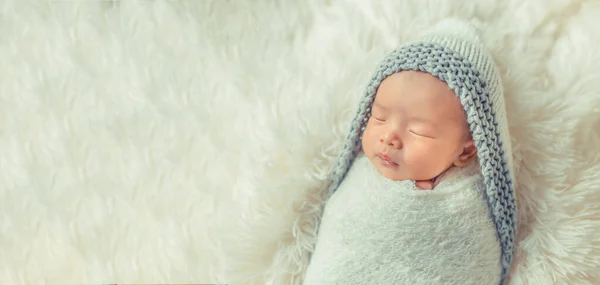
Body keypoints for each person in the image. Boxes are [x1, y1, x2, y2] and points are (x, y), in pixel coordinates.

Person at [303, 18, 517, 285]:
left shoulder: (465, 208)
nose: (389, 137)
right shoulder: (358, 180)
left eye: (418, 132)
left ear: (466, 152)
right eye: (379, 117)